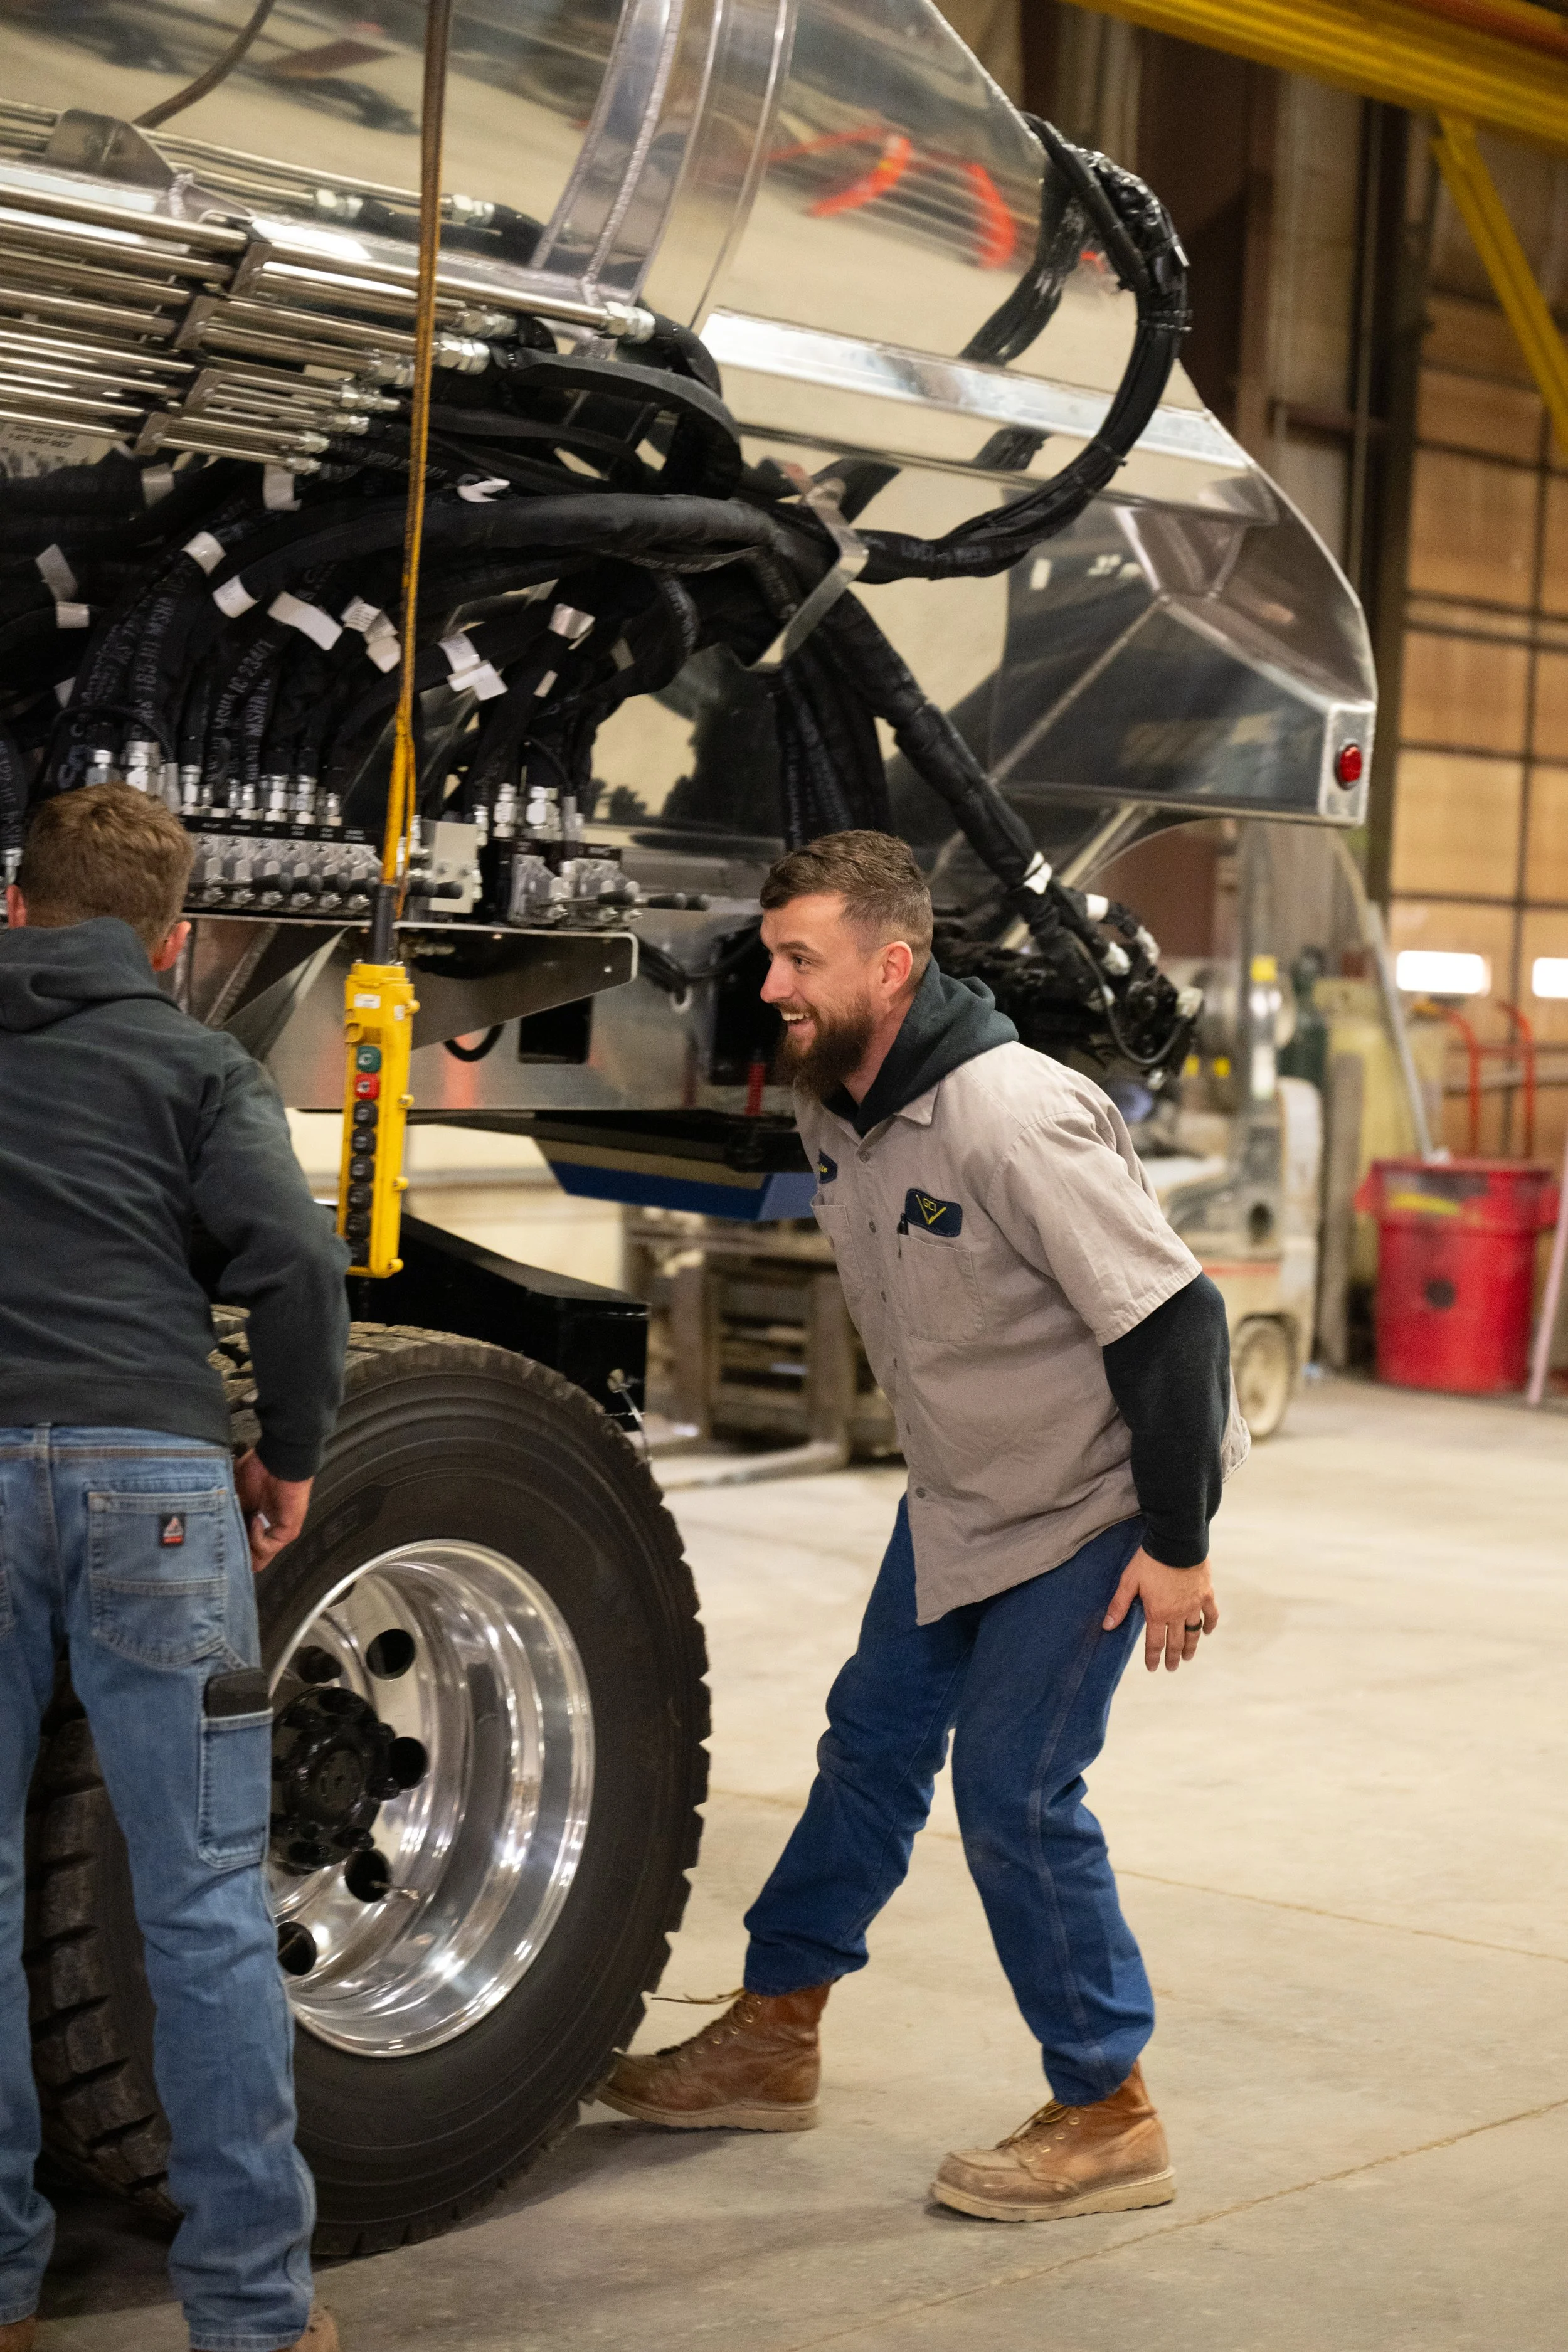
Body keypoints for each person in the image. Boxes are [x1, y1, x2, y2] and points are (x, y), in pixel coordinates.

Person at [603, 829, 1246, 2220]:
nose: (770, 984)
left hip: (1092, 1493)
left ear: (892, 967)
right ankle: (777, 2030)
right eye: (770, 954)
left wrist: (1178, 1542)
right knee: (872, 1745)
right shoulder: (836, 1101)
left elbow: (1179, 1323)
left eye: (800, 959)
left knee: (1014, 1789)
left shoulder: (1010, 1116)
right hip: (962, 1488)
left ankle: (1109, 2109)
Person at [0, 786, 349, 2350]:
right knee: (203, 1899)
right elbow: (294, 1262)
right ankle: (250, 2313)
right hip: (151, 1478)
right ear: (175, 940)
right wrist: (291, 1449)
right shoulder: (198, 1062)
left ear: (16, 906)